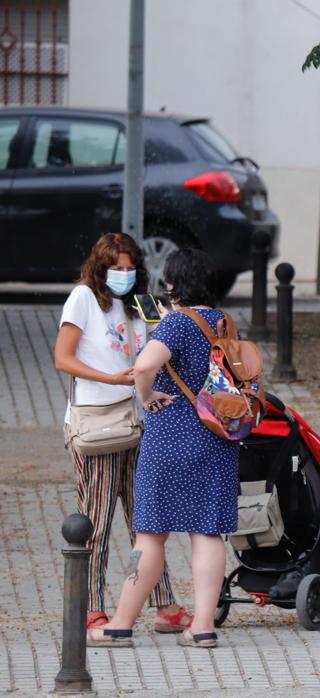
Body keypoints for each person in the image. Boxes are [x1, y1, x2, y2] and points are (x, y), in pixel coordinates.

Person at [88, 249, 238, 649]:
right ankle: (203, 626)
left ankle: (120, 624)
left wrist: (148, 394)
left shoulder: (174, 323)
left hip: (170, 439)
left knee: (150, 535)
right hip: (218, 438)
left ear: (174, 283)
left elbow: (143, 366)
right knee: (207, 532)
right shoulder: (224, 322)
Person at [53, 233, 190, 635]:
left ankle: (161, 601)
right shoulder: (83, 298)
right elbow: (63, 358)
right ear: (101, 267)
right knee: (95, 519)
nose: (125, 276)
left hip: (140, 421)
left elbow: (162, 346)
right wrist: (110, 378)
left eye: (131, 269)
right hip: (99, 422)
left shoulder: (141, 302)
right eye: (117, 269)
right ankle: (92, 604)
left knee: (145, 522)